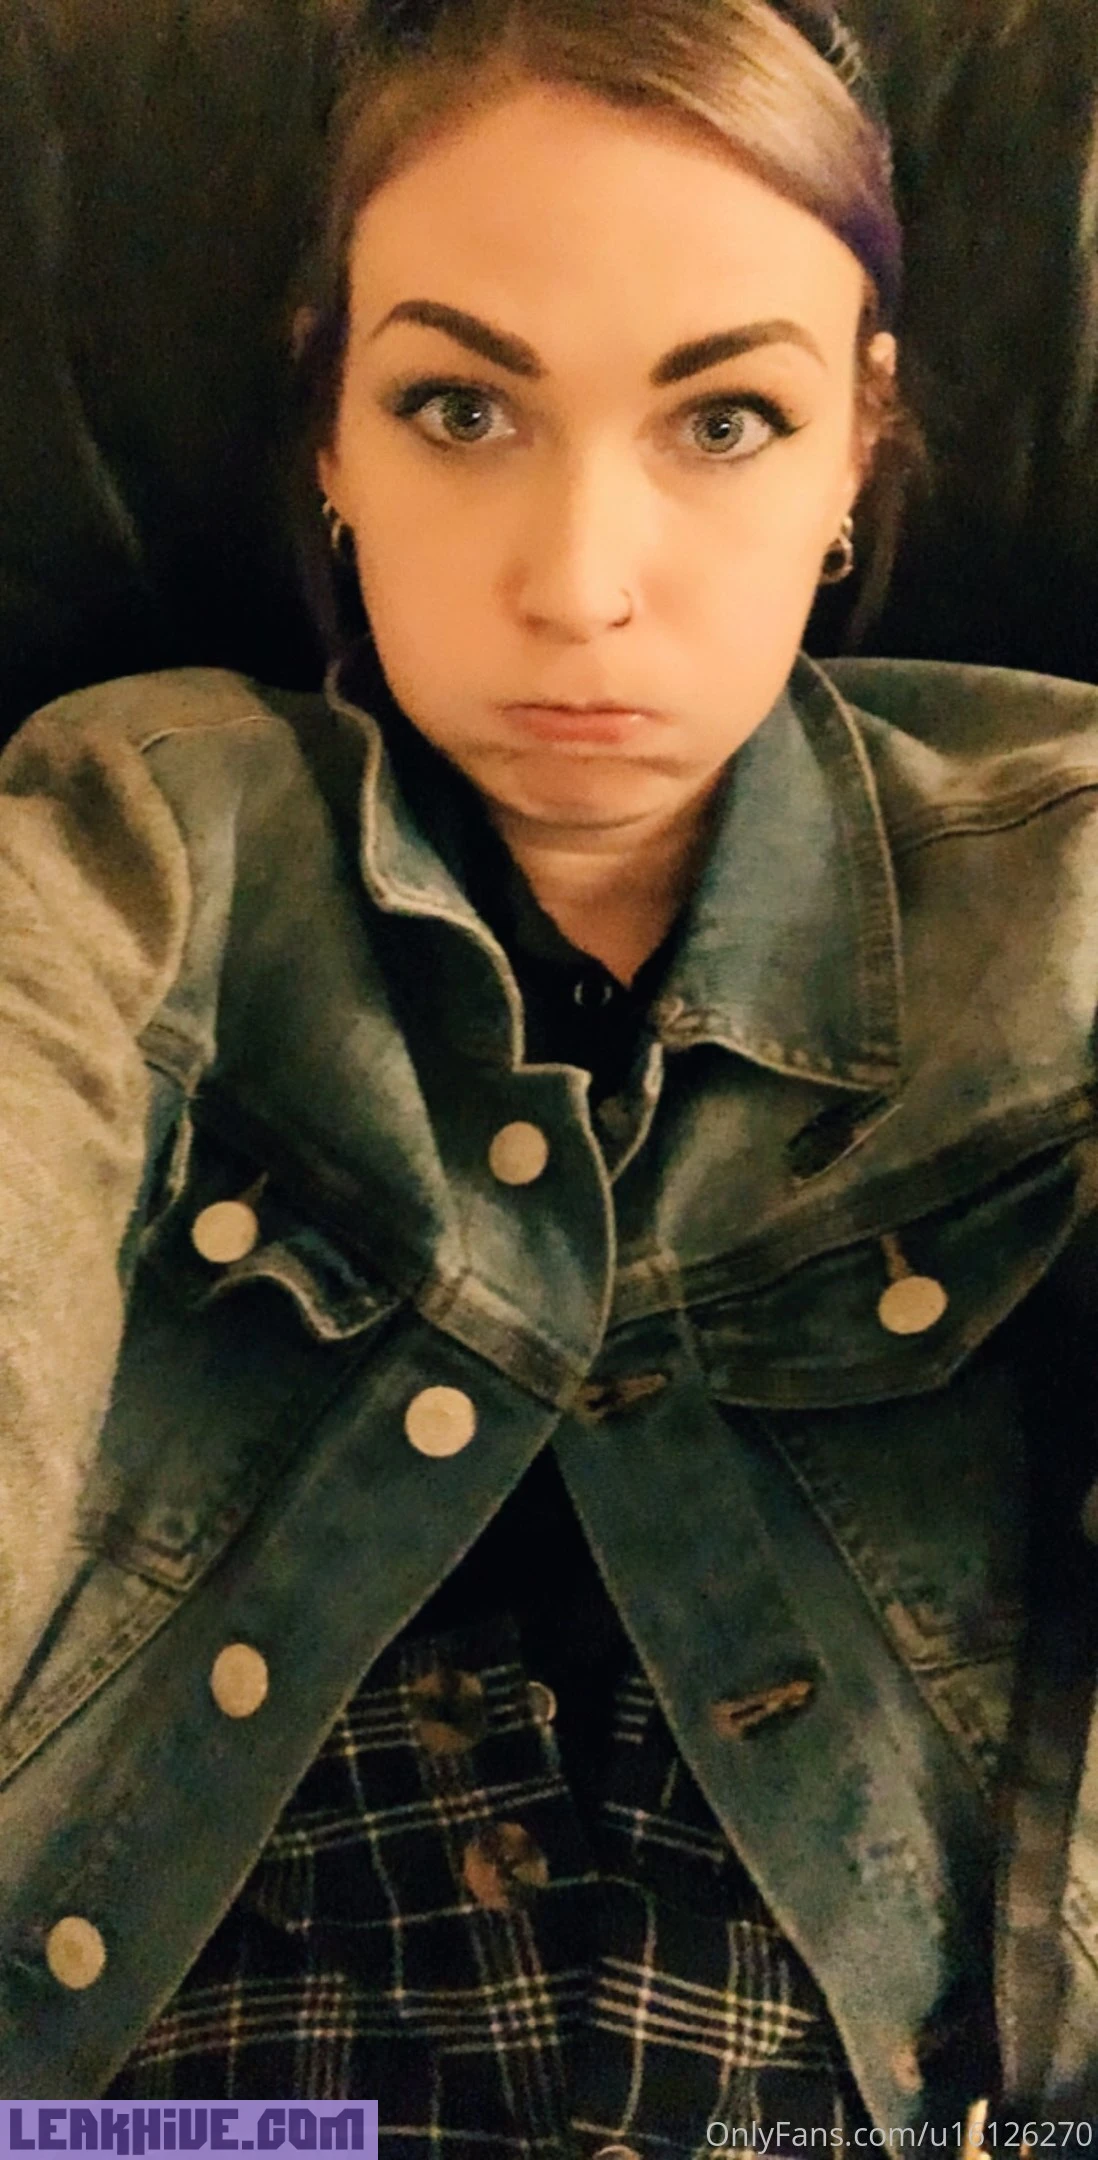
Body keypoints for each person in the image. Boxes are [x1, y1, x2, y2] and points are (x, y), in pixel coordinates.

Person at [0, 0, 1096, 2148]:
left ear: (860, 442)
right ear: (331, 429)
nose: (580, 588)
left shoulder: (1066, 887)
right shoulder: (134, 842)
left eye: (727, 421)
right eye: (460, 407)